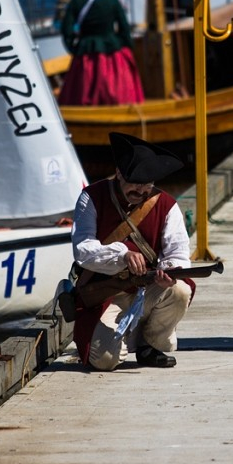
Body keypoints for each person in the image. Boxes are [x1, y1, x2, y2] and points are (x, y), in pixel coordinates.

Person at [69, 133, 193, 371]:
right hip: (105, 293)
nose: (141, 189)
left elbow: (178, 254)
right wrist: (122, 255)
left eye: (147, 184)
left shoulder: (166, 205)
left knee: (180, 290)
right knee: (105, 362)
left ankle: (149, 346)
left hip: (147, 289)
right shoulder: (92, 197)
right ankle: (120, 339)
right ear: (119, 173)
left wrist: (167, 273)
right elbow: (83, 249)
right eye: (135, 181)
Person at [59, 0, 145, 106]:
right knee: (115, 88)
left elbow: (66, 30)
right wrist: (127, 47)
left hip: (85, 52)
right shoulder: (111, 0)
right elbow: (124, 28)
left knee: (83, 89)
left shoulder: (76, 2)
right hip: (112, 52)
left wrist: (74, 48)